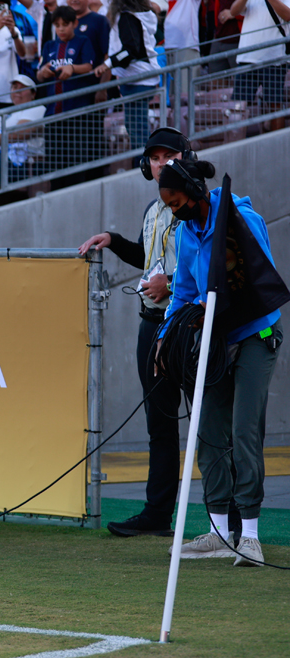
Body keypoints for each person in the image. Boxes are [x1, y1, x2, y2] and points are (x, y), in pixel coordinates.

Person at [159, 157, 282, 567]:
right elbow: (181, 291)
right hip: (214, 342)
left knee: (243, 431)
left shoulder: (241, 219)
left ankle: (250, 538)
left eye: (177, 203)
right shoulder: (186, 233)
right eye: (169, 206)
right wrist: (164, 339)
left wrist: (211, 298)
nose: (174, 212)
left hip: (255, 334)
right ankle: (218, 533)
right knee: (209, 431)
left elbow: (256, 275)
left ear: (195, 192)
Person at [77, 128, 189, 537]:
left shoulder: (200, 206)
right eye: (154, 158)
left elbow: (211, 267)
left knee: (211, 424)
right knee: (159, 425)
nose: (161, 164)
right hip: (152, 325)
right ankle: (157, 516)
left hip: (190, 325)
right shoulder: (153, 208)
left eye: (169, 156)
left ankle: (230, 522)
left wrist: (170, 284)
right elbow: (147, 257)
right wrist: (113, 240)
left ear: (187, 158)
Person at [37, 5, 97, 189]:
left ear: (75, 24)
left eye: (65, 24)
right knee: (54, 163)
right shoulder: (49, 46)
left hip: (76, 113)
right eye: (57, 25)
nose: (61, 29)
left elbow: (89, 66)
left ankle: (77, 196)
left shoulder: (83, 41)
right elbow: (39, 74)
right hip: (53, 114)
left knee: (76, 161)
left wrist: (72, 68)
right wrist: (43, 72)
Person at [100, 0, 159, 155]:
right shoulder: (133, 15)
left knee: (137, 130)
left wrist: (108, 64)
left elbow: (130, 50)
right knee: (135, 128)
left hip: (139, 80)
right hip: (137, 78)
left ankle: (144, 165)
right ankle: (143, 163)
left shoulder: (127, 17)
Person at [231, 0, 290, 133]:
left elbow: (288, 15)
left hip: (274, 60)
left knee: (275, 106)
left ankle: (277, 143)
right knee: (239, 105)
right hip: (247, 58)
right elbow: (234, 11)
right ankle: (237, 141)